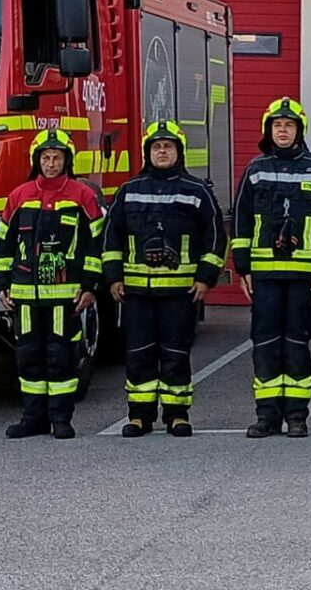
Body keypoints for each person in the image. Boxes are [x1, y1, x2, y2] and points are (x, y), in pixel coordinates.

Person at [102, 119, 225, 438]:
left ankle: (177, 414)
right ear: (147, 152)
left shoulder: (196, 191)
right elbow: (111, 237)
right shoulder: (128, 191)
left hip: (180, 292)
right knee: (138, 353)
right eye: (156, 147)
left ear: (179, 152)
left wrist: (205, 278)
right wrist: (114, 277)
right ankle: (139, 416)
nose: (162, 152)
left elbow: (214, 236)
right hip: (136, 293)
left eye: (168, 147)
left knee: (176, 353)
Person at [232, 97, 311, 439]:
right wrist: (243, 267)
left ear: (299, 130)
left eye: (289, 125)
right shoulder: (255, 169)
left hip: (304, 276)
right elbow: (241, 221)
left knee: (297, 343)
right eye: (277, 125)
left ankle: (297, 415)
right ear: (269, 130)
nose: (282, 130)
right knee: (264, 343)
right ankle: (266, 416)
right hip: (264, 275)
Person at [0, 128, 104, 439]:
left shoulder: (83, 196)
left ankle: (61, 419)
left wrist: (90, 286)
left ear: (68, 161)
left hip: (65, 297)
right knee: (28, 357)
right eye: (45, 157)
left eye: (57, 158)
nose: (51, 163)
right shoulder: (19, 196)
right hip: (24, 296)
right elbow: (2, 244)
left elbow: (96, 244)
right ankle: (32, 419)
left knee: (61, 358)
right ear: (36, 160)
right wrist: (2, 282)